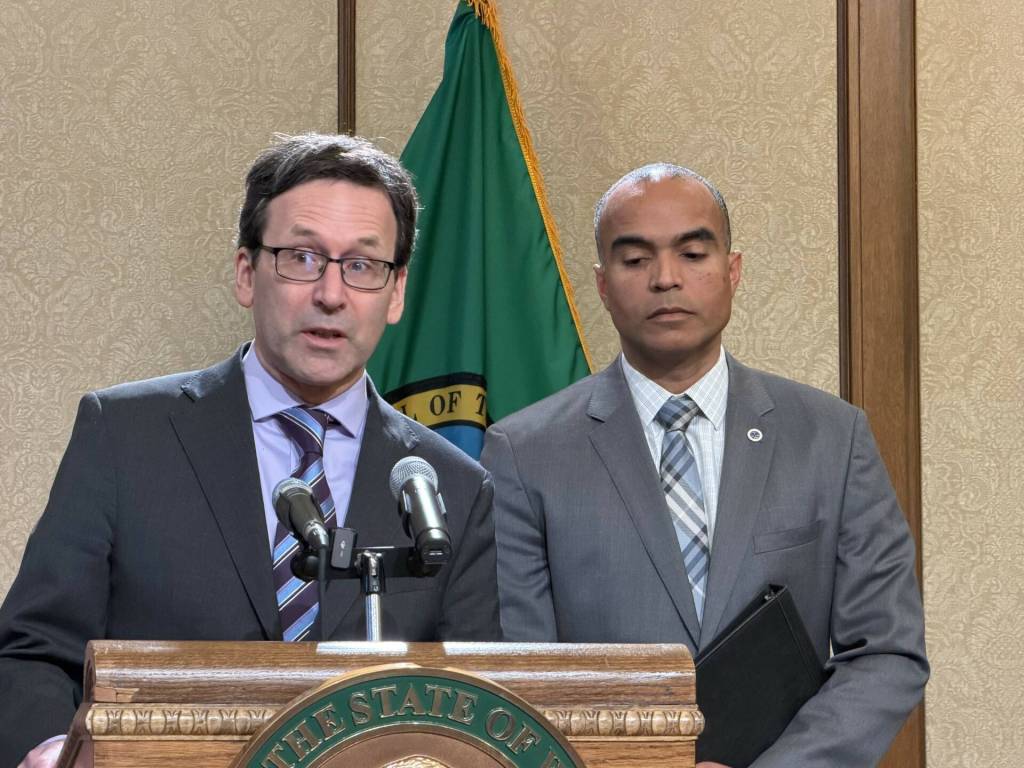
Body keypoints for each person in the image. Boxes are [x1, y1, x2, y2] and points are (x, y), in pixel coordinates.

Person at [0, 133, 501, 768]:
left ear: (396, 291)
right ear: (246, 272)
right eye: (302, 258)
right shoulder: (125, 436)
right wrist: (51, 749)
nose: (331, 294)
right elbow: (35, 651)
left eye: (362, 265)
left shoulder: (453, 486)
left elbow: (480, 704)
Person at [481, 164, 928, 767]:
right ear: (603, 284)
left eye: (692, 254)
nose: (666, 278)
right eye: (635, 259)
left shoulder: (831, 437)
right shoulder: (524, 452)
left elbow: (886, 651)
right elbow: (519, 678)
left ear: (733, 270)